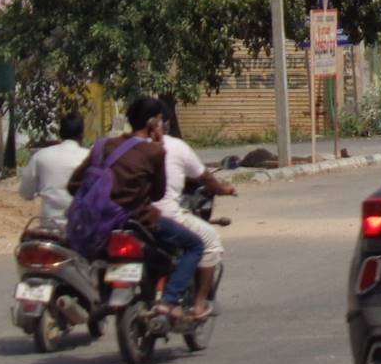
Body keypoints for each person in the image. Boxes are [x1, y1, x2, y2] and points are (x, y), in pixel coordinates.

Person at [67, 96, 206, 319]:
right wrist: (158, 147)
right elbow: (158, 193)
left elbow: (74, 185)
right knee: (195, 246)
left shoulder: (102, 145)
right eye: (160, 120)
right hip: (139, 221)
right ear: (152, 123)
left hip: (99, 226)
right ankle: (169, 301)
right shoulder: (154, 152)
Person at [151, 99, 236, 321]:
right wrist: (223, 189)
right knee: (207, 243)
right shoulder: (172, 146)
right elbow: (205, 177)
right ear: (165, 124)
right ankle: (198, 304)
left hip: (122, 218)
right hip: (160, 215)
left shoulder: (121, 146)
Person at [17, 113, 89, 223]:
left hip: (49, 226)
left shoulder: (41, 156)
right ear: (82, 134)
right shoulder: (90, 157)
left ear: (60, 133)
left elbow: (25, 192)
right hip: (81, 228)